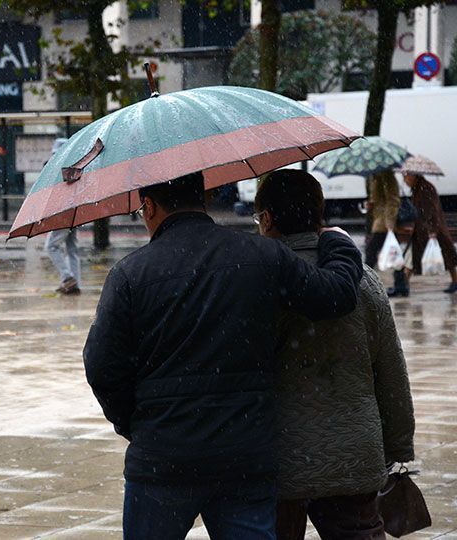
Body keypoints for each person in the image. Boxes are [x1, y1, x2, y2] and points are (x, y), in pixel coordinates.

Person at [83, 171, 364, 539]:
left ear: (148, 206)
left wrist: (135, 423)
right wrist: (338, 244)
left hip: (162, 458)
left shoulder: (130, 274)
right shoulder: (262, 255)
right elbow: (336, 295)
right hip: (243, 455)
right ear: (204, 197)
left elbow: (102, 365)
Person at [254, 170, 415, 540]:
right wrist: (399, 444)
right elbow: (390, 371)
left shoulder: (255, 281)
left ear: (267, 219)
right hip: (353, 452)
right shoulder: (364, 280)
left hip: (277, 454)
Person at [389, 173, 457, 296]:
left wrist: (432, 230)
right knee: (412, 257)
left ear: (414, 176)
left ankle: (403, 285)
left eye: (406, 177)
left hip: (431, 230)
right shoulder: (418, 188)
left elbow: (432, 210)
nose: (405, 180)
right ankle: (403, 285)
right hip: (422, 230)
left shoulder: (426, 188)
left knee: (447, 256)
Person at [43, 138, 81, 295]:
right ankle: (75, 283)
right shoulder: (76, 167)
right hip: (75, 211)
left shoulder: (58, 169)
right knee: (72, 248)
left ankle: (67, 278)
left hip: (63, 213)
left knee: (51, 246)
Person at [364, 171, 400, 269]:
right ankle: (400, 280)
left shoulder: (386, 176)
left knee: (371, 250)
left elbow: (393, 200)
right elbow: (378, 197)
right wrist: (371, 203)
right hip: (378, 217)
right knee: (394, 252)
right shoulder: (372, 176)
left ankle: (366, 277)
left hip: (384, 220)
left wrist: (390, 222)